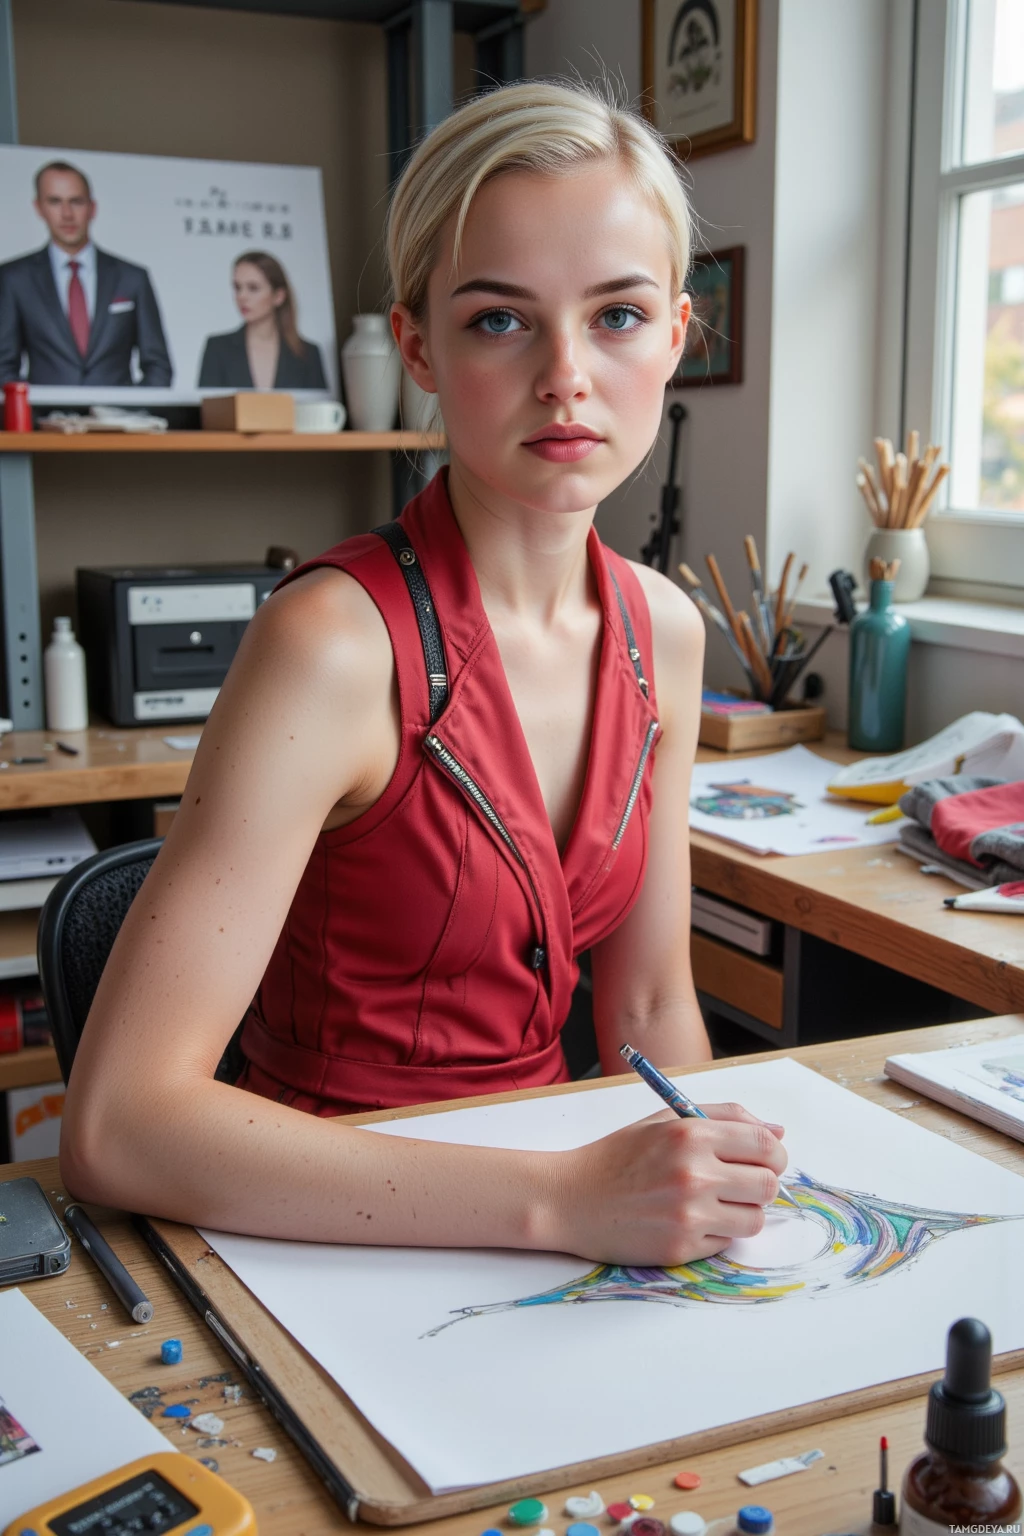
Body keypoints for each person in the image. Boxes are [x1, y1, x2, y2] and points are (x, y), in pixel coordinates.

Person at [60, 80, 787, 1267]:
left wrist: (707, 1189)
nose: (565, 375)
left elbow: (649, 1007)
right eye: (500, 320)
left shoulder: (666, 628)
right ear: (418, 348)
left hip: (558, 1228)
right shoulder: (330, 643)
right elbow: (118, 1127)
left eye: (616, 315)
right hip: (326, 1234)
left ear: (675, 336)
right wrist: (562, 1201)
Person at [0, 160, 172, 387]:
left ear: (93, 208)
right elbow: (3, 365)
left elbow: (158, 365)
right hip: (43, 410)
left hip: (119, 410)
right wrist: (30, 407)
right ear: (39, 207)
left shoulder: (132, 277)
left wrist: (133, 407)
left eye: (76, 201)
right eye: (55, 201)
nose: (67, 214)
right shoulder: (15, 278)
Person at [197, 251, 327, 390]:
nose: (242, 296)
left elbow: (318, 403)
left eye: (253, 288)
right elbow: (208, 402)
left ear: (278, 296)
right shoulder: (217, 348)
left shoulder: (308, 353)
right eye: (237, 287)